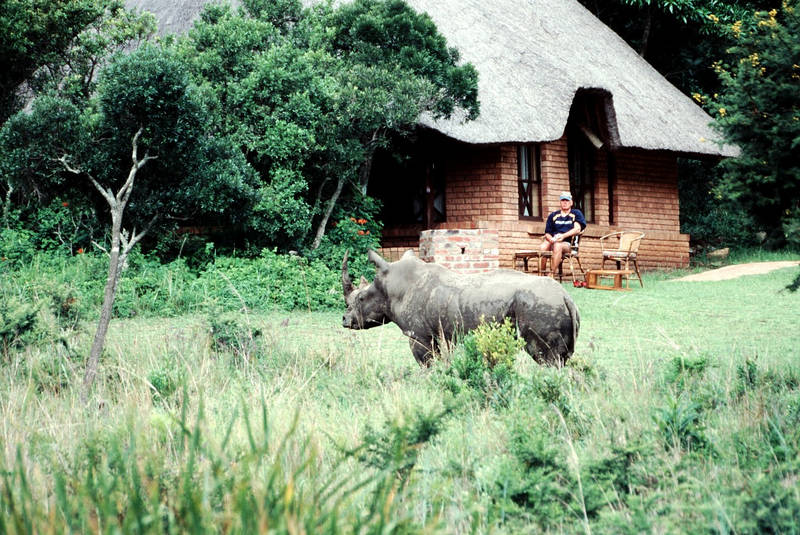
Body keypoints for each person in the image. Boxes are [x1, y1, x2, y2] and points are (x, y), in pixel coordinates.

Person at [538, 191, 587, 275]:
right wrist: (551, 239)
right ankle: (541, 274)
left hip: (569, 244)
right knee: (543, 246)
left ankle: (551, 274)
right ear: (560, 202)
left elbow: (577, 229)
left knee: (558, 245)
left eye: (567, 201)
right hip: (554, 241)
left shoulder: (576, 213)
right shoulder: (553, 215)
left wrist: (563, 236)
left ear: (571, 202)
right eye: (563, 200)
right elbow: (547, 233)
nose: (565, 203)